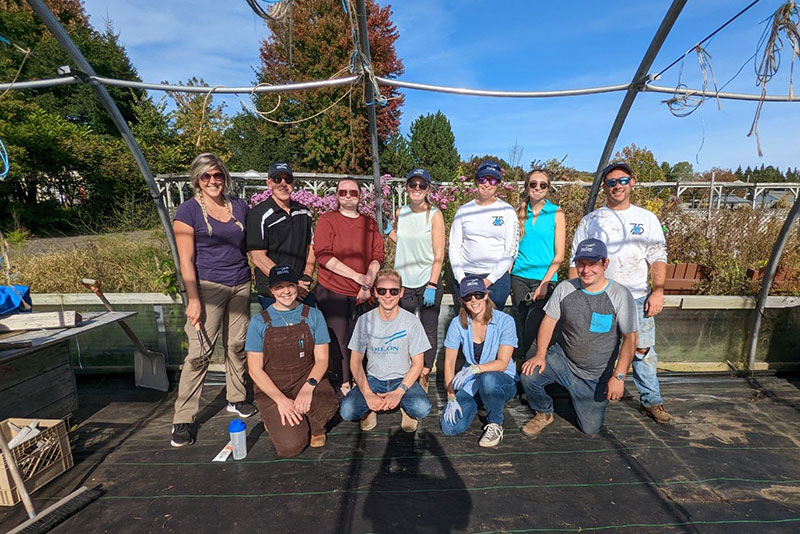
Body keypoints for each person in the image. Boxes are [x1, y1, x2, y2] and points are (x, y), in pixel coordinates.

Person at [569, 162, 673, 425]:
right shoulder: (592, 221)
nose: (617, 186)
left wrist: (658, 292)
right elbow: (574, 262)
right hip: (599, 300)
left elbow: (658, 256)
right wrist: (576, 298)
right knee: (595, 348)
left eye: (623, 181)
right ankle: (589, 396)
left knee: (642, 350)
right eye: (611, 182)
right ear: (604, 187)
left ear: (632, 183)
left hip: (636, 298)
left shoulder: (647, 219)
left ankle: (652, 401)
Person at [170, 153, 255, 448]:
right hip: (207, 287)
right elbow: (186, 259)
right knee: (199, 352)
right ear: (197, 180)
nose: (213, 181)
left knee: (236, 345)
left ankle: (236, 397)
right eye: (206, 176)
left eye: (217, 175)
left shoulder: (240, 207)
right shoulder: (189, 211)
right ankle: (183, 417)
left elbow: (252, 246)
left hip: (240, 284)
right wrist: (193, 298)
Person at [520, 239, 638, 437]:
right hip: (564, 361)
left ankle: (581, 398)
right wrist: (540, 355)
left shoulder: (619, 295)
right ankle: (544, 412)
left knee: (590, 429)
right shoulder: (565, 288)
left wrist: (618, 376)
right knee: (528, 374)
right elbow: (548, 321)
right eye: (581, 264)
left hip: (595, 376)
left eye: (592, 264)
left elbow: (630, 339)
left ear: (605, 264)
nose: (586, 270)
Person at [244, 265, 338, 457]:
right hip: (273, 386)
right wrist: (281, 400)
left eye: (290, 285)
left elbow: (322, 360)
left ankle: (316, 427)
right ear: (271, 290)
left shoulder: (313, 315)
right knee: (290, 447)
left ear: (297, 286)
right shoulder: (259, 322)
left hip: (304, 378)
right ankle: (275, 417)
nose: (285, 291)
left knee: (327, 402)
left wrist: (308, 387)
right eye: (279, 287)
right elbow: (255, 370)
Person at [314, 178, 385, 396]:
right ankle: (344, 382)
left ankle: (361, 378)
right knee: (339, 338)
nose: (347, 196)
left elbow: (377, 255)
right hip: (332, 289)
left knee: (362, 337)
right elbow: (323, 255)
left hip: (363, 292)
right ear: (336, 196)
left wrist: (368, 281)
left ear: (360, 196)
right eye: (342, 192)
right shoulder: (328, 220)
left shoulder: (369, 223)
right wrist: (356, 277)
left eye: (352, 193)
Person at [339, 268, 432, 432]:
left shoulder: (412, 322)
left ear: (401, 293)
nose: (388, 295)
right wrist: (367, 393)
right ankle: (371, 407)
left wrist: (399, 392)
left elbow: (418, 363)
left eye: (393, 291)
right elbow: (355, 361)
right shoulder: (364, 320)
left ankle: (405, 407)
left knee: (422, 408)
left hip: (402, 379)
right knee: (347, 411)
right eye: (382, 291)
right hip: (373, 379)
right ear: (375, 292)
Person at [440, 276, 518, 447]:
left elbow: (503, 363)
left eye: (478, 294)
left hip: (500, 379)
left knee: (488, 379)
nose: (474, 300)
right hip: (472, 381)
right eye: (468, 296)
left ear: (486, 295)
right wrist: (451, 396)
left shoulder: (505, 321)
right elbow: (449, 363)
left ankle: (495, 423)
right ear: (462, 300)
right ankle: (483, 401)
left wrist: (475, 369)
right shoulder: (457, 324)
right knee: (450, 427)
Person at [387, 168, 446, 392]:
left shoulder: (434, 215)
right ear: (407, 187)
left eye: (422, 185)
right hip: (404, 282)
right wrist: (388, 232)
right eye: (413, 185)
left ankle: (424, 372)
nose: (417, 189)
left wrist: (432, 283)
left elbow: (439, 253)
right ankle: (407, 370)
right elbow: (403, 241)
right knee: (405, 329)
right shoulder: (401, 212)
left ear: (428, 189)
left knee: (428, 329)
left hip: (426, 281)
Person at [449, 160, 519, 310]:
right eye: (483, 179)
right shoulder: (464, 211)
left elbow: (511, 249)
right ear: (476, 181)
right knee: (466, 324)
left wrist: (489, 280)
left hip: (496, 279)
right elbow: (454, 246)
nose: (487, 184)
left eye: (493, 180)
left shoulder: (507, 211)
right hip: (466, 275)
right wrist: (462, 279)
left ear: (498, 183)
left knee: (493, 323)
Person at [510, 168, 566, 356]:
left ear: (548, 188)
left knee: (538, 326)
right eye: (533, 184)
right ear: (526, 187)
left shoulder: (555, 213)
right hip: (519, 277)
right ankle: (526, 371)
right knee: (523, 325)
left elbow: (560, 254)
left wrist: (544, 283)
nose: (537, 188)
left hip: (544, 278)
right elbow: (512, 247)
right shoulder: (518, 213)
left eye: (543, 185)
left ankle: (538, 369)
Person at [247, 162, 316, 309]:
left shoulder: (304, 212)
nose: (283, 184)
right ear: (269, 183)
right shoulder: (258, 214)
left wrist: (306, 278)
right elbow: (258, 257)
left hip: (302, 290)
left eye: (287, 179)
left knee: (308, 331)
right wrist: (290, 284)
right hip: (273, 292)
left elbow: (311, 248)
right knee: (278, 332)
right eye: (277, 179)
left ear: (293, 183)